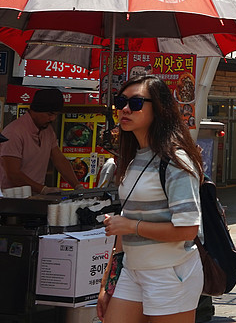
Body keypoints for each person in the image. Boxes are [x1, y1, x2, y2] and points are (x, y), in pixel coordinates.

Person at [96, 74, 204, 322]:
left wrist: (131, 226)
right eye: (120, 101)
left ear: (158, 109)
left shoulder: (176, 161)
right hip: (132, 270)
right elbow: (126, 222)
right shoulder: (134, 159)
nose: (124, 109)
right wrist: (109, 281)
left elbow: (188, 229)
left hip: (170, 272)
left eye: (135, 103)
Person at [0, 88, 85, 193]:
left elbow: (59, 160)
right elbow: (13, 173)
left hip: (34, 197)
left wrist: (77, 186)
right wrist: (43, 189)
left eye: (56, 115)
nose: (53, 119)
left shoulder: (47, 131)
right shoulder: (14, 132)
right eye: (49, 114)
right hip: (12, 200)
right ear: (36, 110)